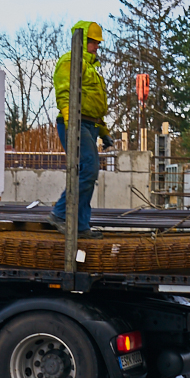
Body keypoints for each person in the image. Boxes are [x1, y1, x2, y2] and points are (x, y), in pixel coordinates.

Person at [50, 20, 106, 235]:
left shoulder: (92, 67)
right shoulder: (70, 61)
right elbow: (64, 91)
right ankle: (60, 213)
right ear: (82, 40)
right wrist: (69, 119)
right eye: (93, 42)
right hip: (75, 122)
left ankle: (81, 226)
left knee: (88, 174)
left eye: (98, 43)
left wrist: (103, 131)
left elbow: (94, 102)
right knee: (89, 169)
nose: (96, 46)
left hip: (89, 123)